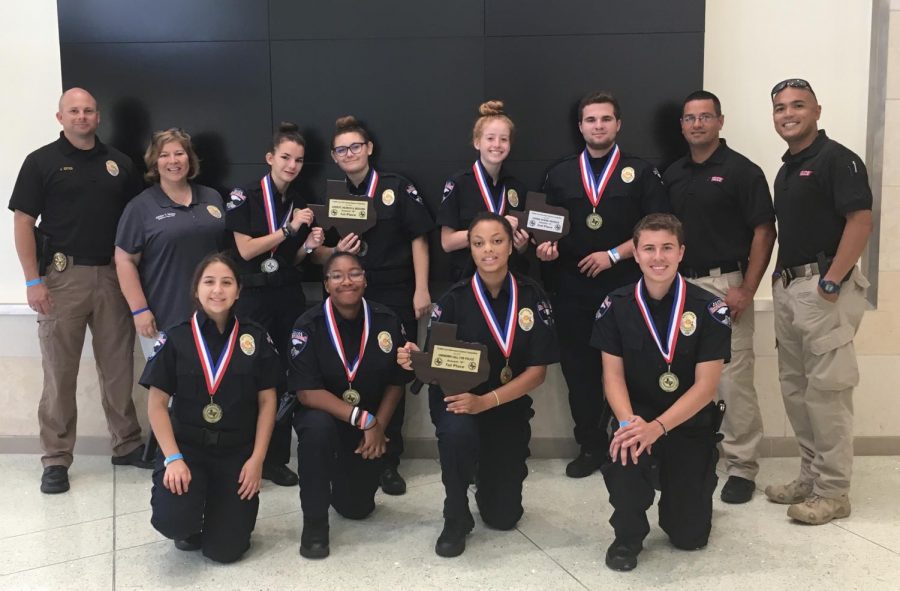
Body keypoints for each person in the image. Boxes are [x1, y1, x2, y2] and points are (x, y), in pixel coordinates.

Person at [9, 87, 150, 494]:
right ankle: (56, 458)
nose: (82, 117)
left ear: (98, 116)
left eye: (88, 110)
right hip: (61, 278)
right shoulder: (41, 162)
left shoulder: (119, 164)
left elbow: (137, 223)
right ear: (60, 117)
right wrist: (32, 280)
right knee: (59, 372)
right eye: (74, 111)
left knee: (119, 367)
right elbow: (22, 222)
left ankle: (126, 444)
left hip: (111, 277)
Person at [399, 212, 559, 557]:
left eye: (497, 241)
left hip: (505, 404)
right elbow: (435, 366)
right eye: (479, 243)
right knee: (457, 434)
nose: (489, 250)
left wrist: (486, 403)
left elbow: (537, 372)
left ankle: (487, 476)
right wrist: (414, 358)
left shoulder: (532, 296)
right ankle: (455, 514)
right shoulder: (453, 300)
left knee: (503, 517)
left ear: (511, 247)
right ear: (469, 250)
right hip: (457, 399)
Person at [539, 91, 670, 478]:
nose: (599, 126)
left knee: (635, 370)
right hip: (573, 291)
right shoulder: (558, 173)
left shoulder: (641, 172)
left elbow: (657, 228)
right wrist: (544, 249)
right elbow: (543, 231)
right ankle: (590, 446)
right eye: (591, 120)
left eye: (606, 119)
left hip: (628, 290)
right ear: (580, 126)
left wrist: (613, 254)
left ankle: (635, 442)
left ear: (618, 124)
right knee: (579, 373)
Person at [592, 213, 730, 571]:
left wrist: (658, 428)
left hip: (687, 424)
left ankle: (682, 488)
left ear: (681, 252)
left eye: (667, 248)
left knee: (689, 537)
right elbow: (612, 377)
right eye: (649, 248)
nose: (658, 257)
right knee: (626, 451)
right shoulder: (616, 305)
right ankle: (627, 535)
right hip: (635, 418)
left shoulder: (709, 308)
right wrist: (628, 424)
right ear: (635, 254)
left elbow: (707, 386)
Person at [765, 79, 872, 525]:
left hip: (823, 292)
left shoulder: (838, 160)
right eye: (780, 108)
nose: (787, 114)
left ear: (817, 110)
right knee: (797, 391)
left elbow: (861, 220)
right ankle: (809, 478)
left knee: (827, 394)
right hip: (790, 290)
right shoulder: (787, 167)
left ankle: (833, 492)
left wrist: (831, 280)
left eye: (798, 106)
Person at [664, 90, 776, 504]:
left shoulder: (743, 172)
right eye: (690, 118)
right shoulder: (673, 173)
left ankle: (742, 467)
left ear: (720, 121)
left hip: (723, 287)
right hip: (679, 288)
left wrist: (747, 287)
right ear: (682, 125)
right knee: (687, 377)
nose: (697, 124)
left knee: (732, 381)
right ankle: (694, 454)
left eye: (705, 117)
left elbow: (765, 231)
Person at [314, 115, 434, 495]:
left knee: (393, 372)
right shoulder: (333, 197)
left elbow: (419, 239)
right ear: (335, 157)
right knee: (350, 372)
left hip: (395, 291)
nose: (349, 153)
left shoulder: (397, 187)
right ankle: (351, 447)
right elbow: (320, 257)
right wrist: (332, 249)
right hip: (349, 295)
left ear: (369, 149)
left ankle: (389, 458)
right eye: (341, 149)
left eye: (355, 146)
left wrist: (421, 289)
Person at [141, 253, 279, 563]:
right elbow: (158, 405)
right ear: (196, 289)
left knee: (227, 551)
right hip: (188, 448)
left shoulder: (255, 338)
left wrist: (257, 460)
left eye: (226, 282)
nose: (218, 290)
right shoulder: (176, 336)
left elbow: (268, 401)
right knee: (174, 521)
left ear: (238, 291)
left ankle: (221, 509)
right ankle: (191, 516)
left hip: (235, 451)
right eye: (209, 282)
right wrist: (173, 458)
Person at [288, 252, 411, 558]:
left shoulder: (386, 320)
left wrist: (378, 425)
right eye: (337, 276)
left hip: (367, 427)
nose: (347, 281)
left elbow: (397, 382)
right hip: (328, 420)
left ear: (365, 280)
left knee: (357, 509)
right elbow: (307, 393)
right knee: (316, 430)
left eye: (355, 273)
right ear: (326, 284)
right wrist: (364, 419)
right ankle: (314, 524)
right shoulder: (308, 326)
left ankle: (341, 481)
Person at [226, 122, 325, 487]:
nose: (292, 165)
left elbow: (294, 260)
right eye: (285, 157)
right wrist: (289, 229)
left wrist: (310, 244)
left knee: (286, 375)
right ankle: (243, 454)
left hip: (287, 295)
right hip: (251, 297)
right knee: (247, 373)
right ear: (270, 158)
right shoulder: (244, 195)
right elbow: (246, 250)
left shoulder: (300, 201)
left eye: (299, 159)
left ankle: (276, 458)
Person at [116, 128, 226, 357]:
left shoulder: (212, 197)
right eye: (164, 155)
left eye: (179, 153)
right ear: (154, 163)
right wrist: (139, 310)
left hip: (214, 315)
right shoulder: (140, 207)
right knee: (169, 390)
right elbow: (124, 260)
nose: (173, 161)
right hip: (164, 318)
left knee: (215, 387)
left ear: (190, 158)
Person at [437, 100, 530, 282]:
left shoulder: (516, 187)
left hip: (510, 279)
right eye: (490, 138)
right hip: (469, 281)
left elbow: (522, 248)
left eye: (504, 139)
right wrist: (499, 225)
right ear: (477, 142)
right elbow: (447, 243)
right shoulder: (458, 183)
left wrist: (522, 244)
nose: (497, 144)